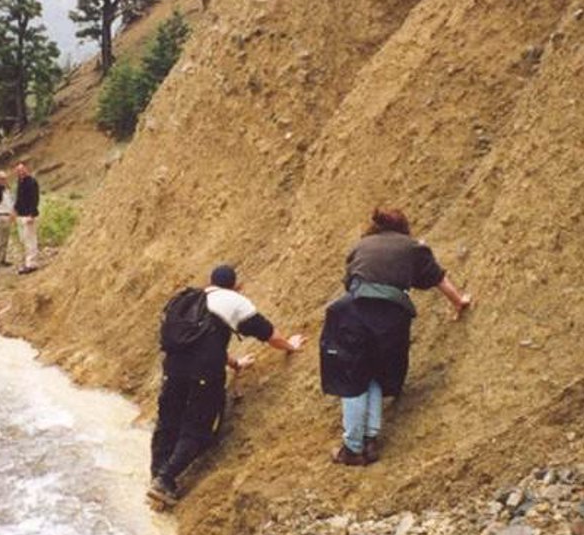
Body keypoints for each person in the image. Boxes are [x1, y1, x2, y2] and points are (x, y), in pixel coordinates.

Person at [322, 207, 471, 467]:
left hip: (357, 314)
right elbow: (439, 280)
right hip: (393, 320)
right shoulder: (414, 247)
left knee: (353, 377)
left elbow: (351, 283)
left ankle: (352, 449)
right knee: (376, 373)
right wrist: (460, 302)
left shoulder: (362, 245)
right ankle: (370, 441)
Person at [148, 265, 307, 507]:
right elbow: (268, 334)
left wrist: (234, 363)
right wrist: (291, 346)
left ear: (210, 281)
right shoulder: (234, 301)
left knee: (168, 421)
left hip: (173, 368)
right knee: (198, 427)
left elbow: (200, 341)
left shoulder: (191, 300)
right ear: (236, 285)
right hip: (204, 373)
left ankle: (157, 475)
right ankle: (165, 481)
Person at [13, 162, 40, 274]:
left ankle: (31, 263)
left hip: (28, 215)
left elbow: (35, 198)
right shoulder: (20, 182)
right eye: (18, 171)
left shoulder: (31, 182)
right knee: (23, 239)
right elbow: (19, 199)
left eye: (22, 169)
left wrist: (31, 214)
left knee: (30, 239)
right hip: (20, 215)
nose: (20, 172)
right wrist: (14, 210)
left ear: (26, 169)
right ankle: (26, 262)